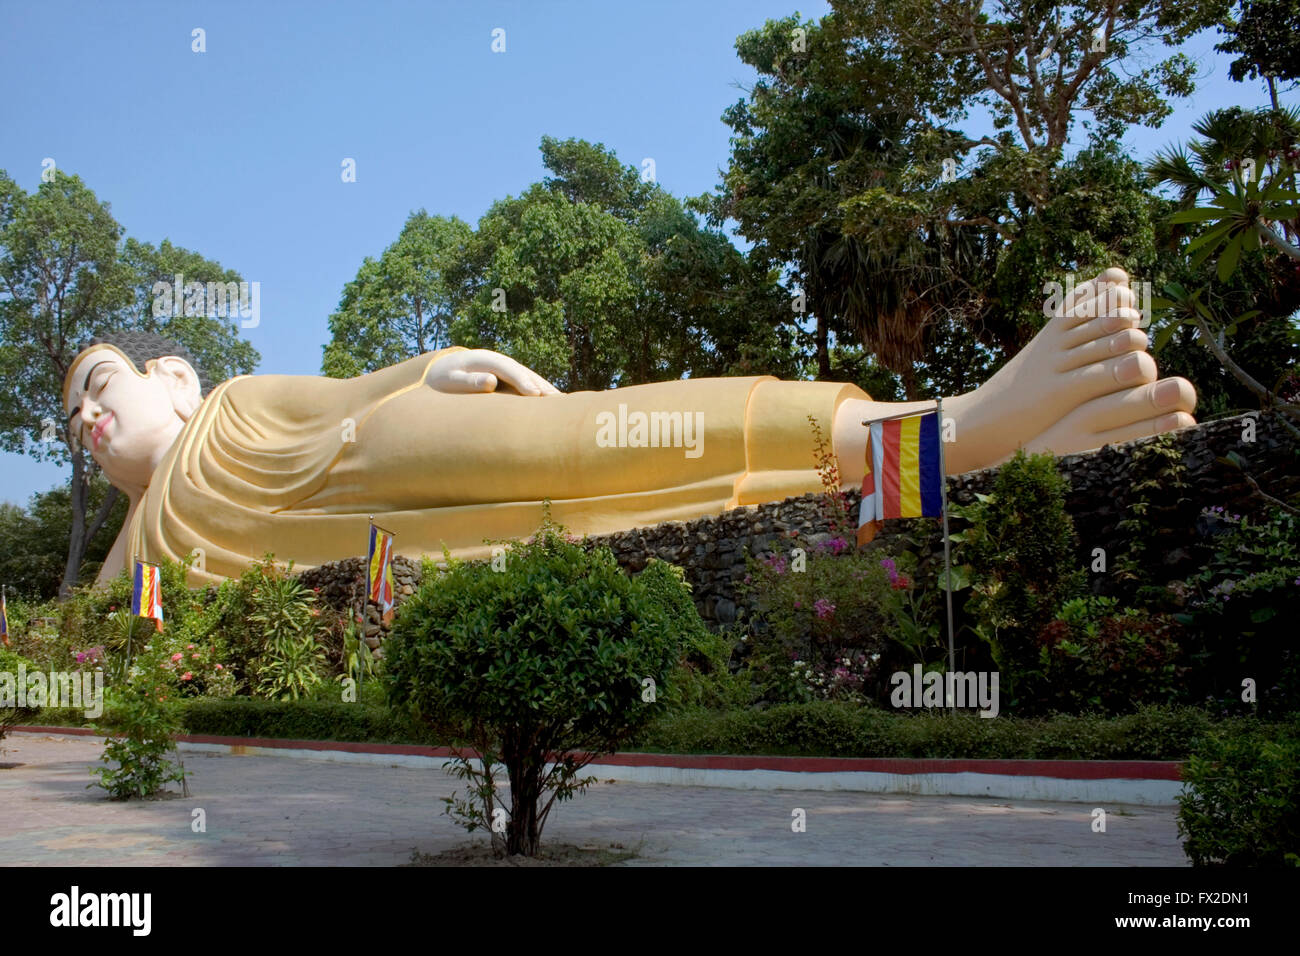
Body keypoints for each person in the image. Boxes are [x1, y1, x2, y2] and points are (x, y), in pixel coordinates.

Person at [64, 268, 1196, 585]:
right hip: (393, 549)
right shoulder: (133, 549)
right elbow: (83, 646)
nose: (92, 414)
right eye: (74, 418)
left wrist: (430, 364)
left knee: (615, 438)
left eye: (103, 380)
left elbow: (345, 393)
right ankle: (997, 454)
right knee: (650, 510)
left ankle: (958, 422)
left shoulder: (232, 407)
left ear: (173, 374)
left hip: (384, 444)